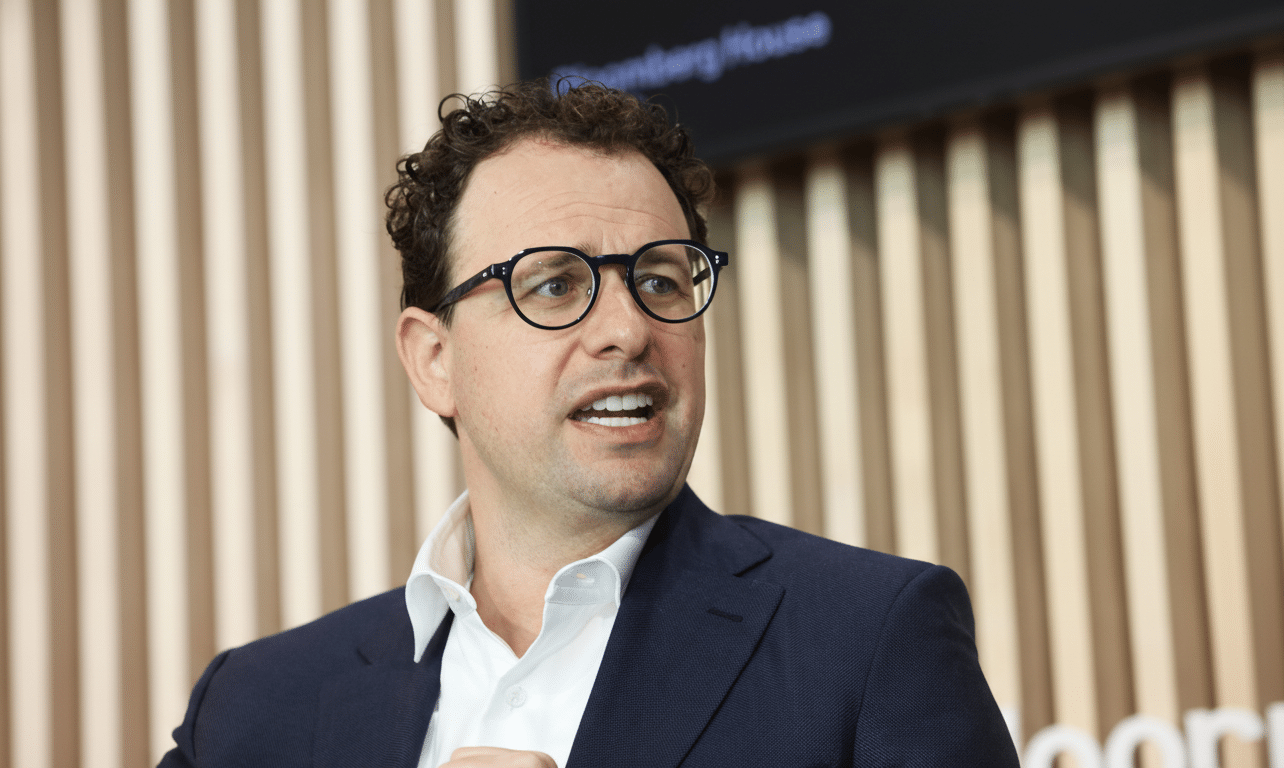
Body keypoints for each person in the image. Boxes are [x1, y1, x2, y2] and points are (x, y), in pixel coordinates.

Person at [160, 80, 1019, 768]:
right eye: (556, 285)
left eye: (661, 280)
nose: (629, 329)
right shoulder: (250, 710)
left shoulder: (869, 643)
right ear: (434, 360)